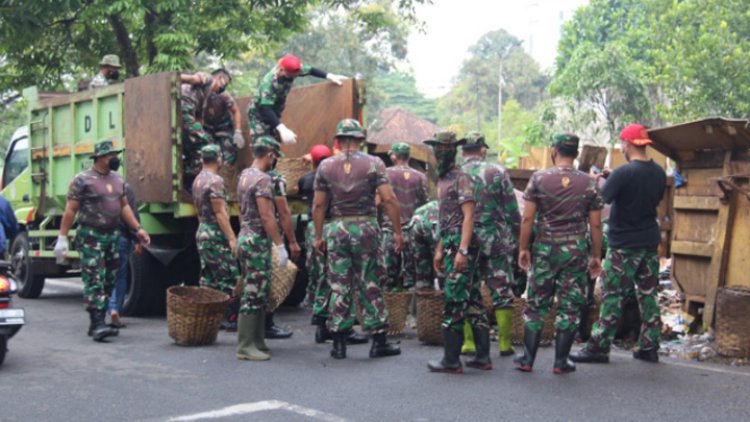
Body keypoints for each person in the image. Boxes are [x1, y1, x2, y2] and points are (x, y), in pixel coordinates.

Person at [571, 124, 666, 364]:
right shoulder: (657, 172)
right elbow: (642, 194)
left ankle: (599, 347)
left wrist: (595, 180)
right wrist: (613, 178)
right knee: (649, 295)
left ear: (626, 144)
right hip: (649, 241)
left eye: (622, 144)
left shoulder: (625, 173)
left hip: (624, 244)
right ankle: (649, 346)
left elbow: (601, 199)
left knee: (613, 295)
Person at [312, 119, 402, 360]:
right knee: (370, 281)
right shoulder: (374, 164)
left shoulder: (325, 166)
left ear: (339, 141)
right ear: (360, 140)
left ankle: (339, 343)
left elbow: (319, 205)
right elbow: (389, 199)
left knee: (340, 284)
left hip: (336, 228)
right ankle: (378, 341)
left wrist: (319, 236)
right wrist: (397, 231)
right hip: (366, 227)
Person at [515, 133, 603, 374]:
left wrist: (523, 248)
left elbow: (527, 218)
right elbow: (596, 225)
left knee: (536, 303)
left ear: (554, 150)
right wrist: (596, 255)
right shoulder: (589, 183)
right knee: (570, 306)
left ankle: (527, 360)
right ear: (575, 154)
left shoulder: (539, 178)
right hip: (575, 252)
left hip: (544, 249)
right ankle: (561, 362)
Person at [54, 140, 151, 342]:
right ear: (99, 157)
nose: (114, 158)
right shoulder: (82, 180)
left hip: (113, 235)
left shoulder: (117, 180)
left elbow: (124, 207)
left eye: (115, 154)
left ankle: (99, 320)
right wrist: (62, 237)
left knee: (109, 279)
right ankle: (97, 323)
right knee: (94, 278)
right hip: (91, 236)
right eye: (110, 155)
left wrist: (138, 229)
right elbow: (70, 209)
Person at [424, 131, 488, 374]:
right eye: (437, 148)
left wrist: (461, 250)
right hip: (451, 241)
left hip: (462, 244)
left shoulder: (461, 178)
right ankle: (483, 357)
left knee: (454, 299)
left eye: (443, 149)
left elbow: (468, 216)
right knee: (471, 298)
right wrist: (440, 249)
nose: (439, 153)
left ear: (452, 151)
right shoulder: (443, 179)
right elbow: (446, 219)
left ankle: (451, 360)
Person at [298, 145, 368, 345]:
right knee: (341, 278)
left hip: (315, 228)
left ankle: (322, 324)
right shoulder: (336, 177)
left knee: (321, 276)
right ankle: (339, 326)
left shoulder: (307, 179)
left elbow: (303, 186)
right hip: (333, 227)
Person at [459, 131, 521, 358]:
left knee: (468, 288)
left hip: (467, 241)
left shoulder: (456, 174)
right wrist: (517, 238)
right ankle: (505, 343)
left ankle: (469, 342)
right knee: (502, 288)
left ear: (462, 151)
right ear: (483, 150)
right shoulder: (497, 172)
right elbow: (512, 210)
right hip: (496, 239)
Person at [235, 136, 289, 361]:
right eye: (274, 156)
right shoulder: (263, 180)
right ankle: (246, 345)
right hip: (256, 240)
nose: (274, 160)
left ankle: (257, 341)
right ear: (269, 154)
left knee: (257, 289)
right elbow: (267, 216)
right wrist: (280, 245)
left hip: (246, 236)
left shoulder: (244, 175)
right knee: (254, 292)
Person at [192, 144, 240, 330]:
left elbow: (199, 209)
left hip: (203, 230)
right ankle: (229, 317)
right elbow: (220, 212)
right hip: (215, 234)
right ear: (218, 158)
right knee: (229, 276)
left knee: (209, 277)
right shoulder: (215, 181)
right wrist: (231, 238)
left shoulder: (198, 180)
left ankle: (210, 316)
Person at [247, 54, 347, 145]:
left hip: (274, 113)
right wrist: (282, 128)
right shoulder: (269, 83)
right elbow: (265, 108)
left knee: (274, 146)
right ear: (281, 70)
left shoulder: (293, 69)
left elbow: (311, 70)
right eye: (290, 76)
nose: (293, 78)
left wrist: (328, 76)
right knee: (262, 146)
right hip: (259, 115)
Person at [380, 142, 429, 290]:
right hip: (413, 231)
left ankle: (391, 308)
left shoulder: (385, 174)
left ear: (394, 157)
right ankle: (411, 310)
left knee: (388, 275)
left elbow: (379, 200)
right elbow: (424, 205)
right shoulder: (421, 177)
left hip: (390, 231)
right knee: (412, 276)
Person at [264, 161, 302, 339]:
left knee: (254, 284)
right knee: (271, 281)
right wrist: (290, 242)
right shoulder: (274, 179)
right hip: (269, 238)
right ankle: (266, 325)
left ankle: (255, 329)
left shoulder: (245, 176)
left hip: (250, 236)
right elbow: (283, 213)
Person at [180, 69, 232, 188]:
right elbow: (193, 78)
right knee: (208, 146)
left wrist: (201, 130)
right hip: (184, 108)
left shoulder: (206, 95)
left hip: (187, 113)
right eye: (224, 84)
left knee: (193, 148)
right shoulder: (208, 78)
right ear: (219, 78)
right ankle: (201, 179)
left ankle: (189, 174)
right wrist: (171, 79)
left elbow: (199, 117)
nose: (223, 88)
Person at [107, 183, 142, 328]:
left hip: (103, 238)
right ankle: (116, 310)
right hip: (122, 237)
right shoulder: (124, 188)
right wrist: (137, 238)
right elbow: (132, 214)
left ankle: (110, 307)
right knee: (120, 275)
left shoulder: (95, 186)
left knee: (105, 275)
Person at [203, 87, 245, 166]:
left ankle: (227, 170)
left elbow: (236, 111)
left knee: (229, 154)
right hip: (207, 128)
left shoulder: (224, 95)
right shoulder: (201, 94)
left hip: (224, 127)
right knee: (208, 153)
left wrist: (238, 132)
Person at [407, 200, 440, 290]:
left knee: (424, 272)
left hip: (418, 226)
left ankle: (424, 289)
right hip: (423, 228)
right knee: (439, 267)